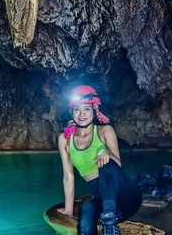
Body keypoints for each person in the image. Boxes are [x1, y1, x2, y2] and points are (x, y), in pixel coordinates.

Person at [57, 85, 142, 235]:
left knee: (106, 162)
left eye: (87, 109)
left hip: (126, 196)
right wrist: (69, 208)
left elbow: (117, 166)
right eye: (77, 109)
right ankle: (110, 220)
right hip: (101, 198)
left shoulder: (105, 131)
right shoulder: (65, 139)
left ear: (94, 111)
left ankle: (109, 221)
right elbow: (68, 176)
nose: (82, 114)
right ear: (71, 112)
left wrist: (106, 151)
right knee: (86, 209)